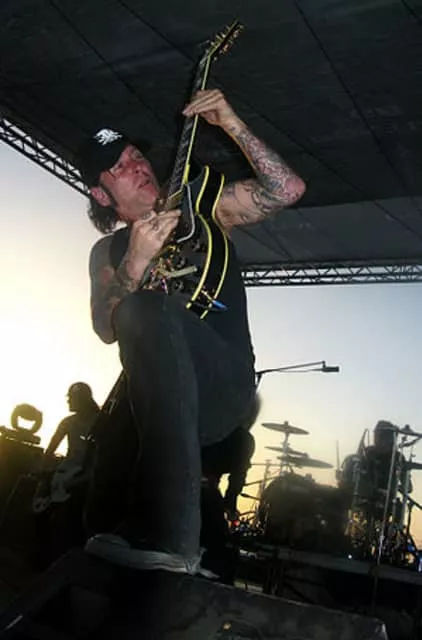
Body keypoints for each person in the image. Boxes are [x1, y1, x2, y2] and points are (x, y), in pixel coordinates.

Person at [76, 88, 306, 575]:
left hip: (220, 385)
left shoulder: (202, 209)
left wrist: (231, 123)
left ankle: (173, 537)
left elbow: (286, 190)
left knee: (145, 310)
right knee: (98, 522)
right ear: (101, 195)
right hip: (153, 403)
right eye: (119, 167)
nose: (138, 166)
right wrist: (135, 261)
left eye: (136, 155)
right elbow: (104, 327)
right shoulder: (108, 254)